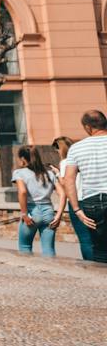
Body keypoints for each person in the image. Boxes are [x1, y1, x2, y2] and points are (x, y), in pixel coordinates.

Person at [60, 109, 107, 264]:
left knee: (99, 247)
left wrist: (77, 209)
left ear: (87, 127)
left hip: (91, 202)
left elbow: (69, 179)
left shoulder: (77, 148)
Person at [13, 145, 60, 257]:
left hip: (31, 212)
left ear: (23, 158)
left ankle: (30, 272)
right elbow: (62, 194)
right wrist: (58, 215)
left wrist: (24, 214)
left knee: (25, 247)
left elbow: (23, 192)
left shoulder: (19, 173)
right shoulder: (49, 173)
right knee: (49, 249)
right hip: (48, 211)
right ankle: (52, 271)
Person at [53, 136, 95, 261]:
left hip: (76, 201)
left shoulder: (65, 162)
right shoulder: (83, 158)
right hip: (91, 199)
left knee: (85, 239)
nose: (57, 153)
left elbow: (66, 183)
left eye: (57, 150)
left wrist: (57, 173)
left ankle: (92, 266)